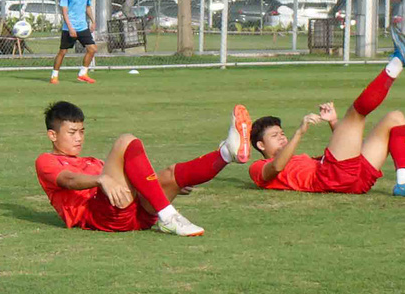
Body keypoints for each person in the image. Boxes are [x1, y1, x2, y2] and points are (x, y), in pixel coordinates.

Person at [247, 29, 405, 197]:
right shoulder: (257, 168)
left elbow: (351, 148)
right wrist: (299, 132)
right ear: (261, 145)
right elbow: (277, 166)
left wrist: (334, 122)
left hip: (352, 179)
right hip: (332, 177)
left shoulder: (297, 158)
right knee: (356, 114)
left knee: (395, 118)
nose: (281, 138)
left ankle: (403, 183)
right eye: (274, 136)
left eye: (282, 133)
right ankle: (397, 63)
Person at [35, 100, 251, 238]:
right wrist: (101, 180)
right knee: (125, 140)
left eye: (82, 131)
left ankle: (226, 154)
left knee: (170, 174)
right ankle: (169, 216)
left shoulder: (94, 161)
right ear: (52, 135)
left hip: (138, 216)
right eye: (72, 132)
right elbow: (69, 180)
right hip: (101, 216)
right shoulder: (46, 160)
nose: (79, 138)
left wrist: (157, 186)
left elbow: (134, 179)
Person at [49, 0, 96, 85]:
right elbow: (64, 11)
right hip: (69, 28)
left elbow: (87, 7)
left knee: (92, 49)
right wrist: (70, 27)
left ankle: (82, 74)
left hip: (83, 27)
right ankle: (54, 76)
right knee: (63, 52)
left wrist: (93, 21)